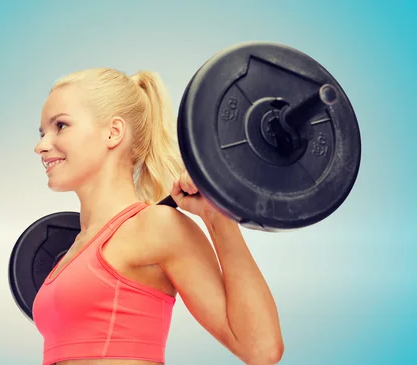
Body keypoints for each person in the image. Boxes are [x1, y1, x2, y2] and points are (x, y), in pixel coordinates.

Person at [32, 68, 284, 365]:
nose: (41, 145)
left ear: (113, 132)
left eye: (60, 125)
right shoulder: (71, 252)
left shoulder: (156, 227)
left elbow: (261, 348)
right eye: (42, 133)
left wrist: (218, 218)